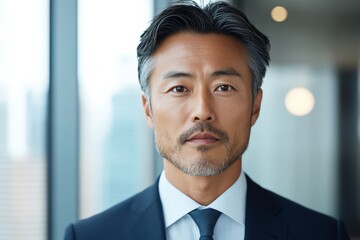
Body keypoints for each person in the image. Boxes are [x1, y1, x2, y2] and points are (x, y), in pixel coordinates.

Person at [64, 1, 350, 239]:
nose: (202, 110)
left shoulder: (321, 233)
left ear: (255, 106)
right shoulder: (90, 236)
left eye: (223, 88)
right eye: (179, 89)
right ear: (148, 109)